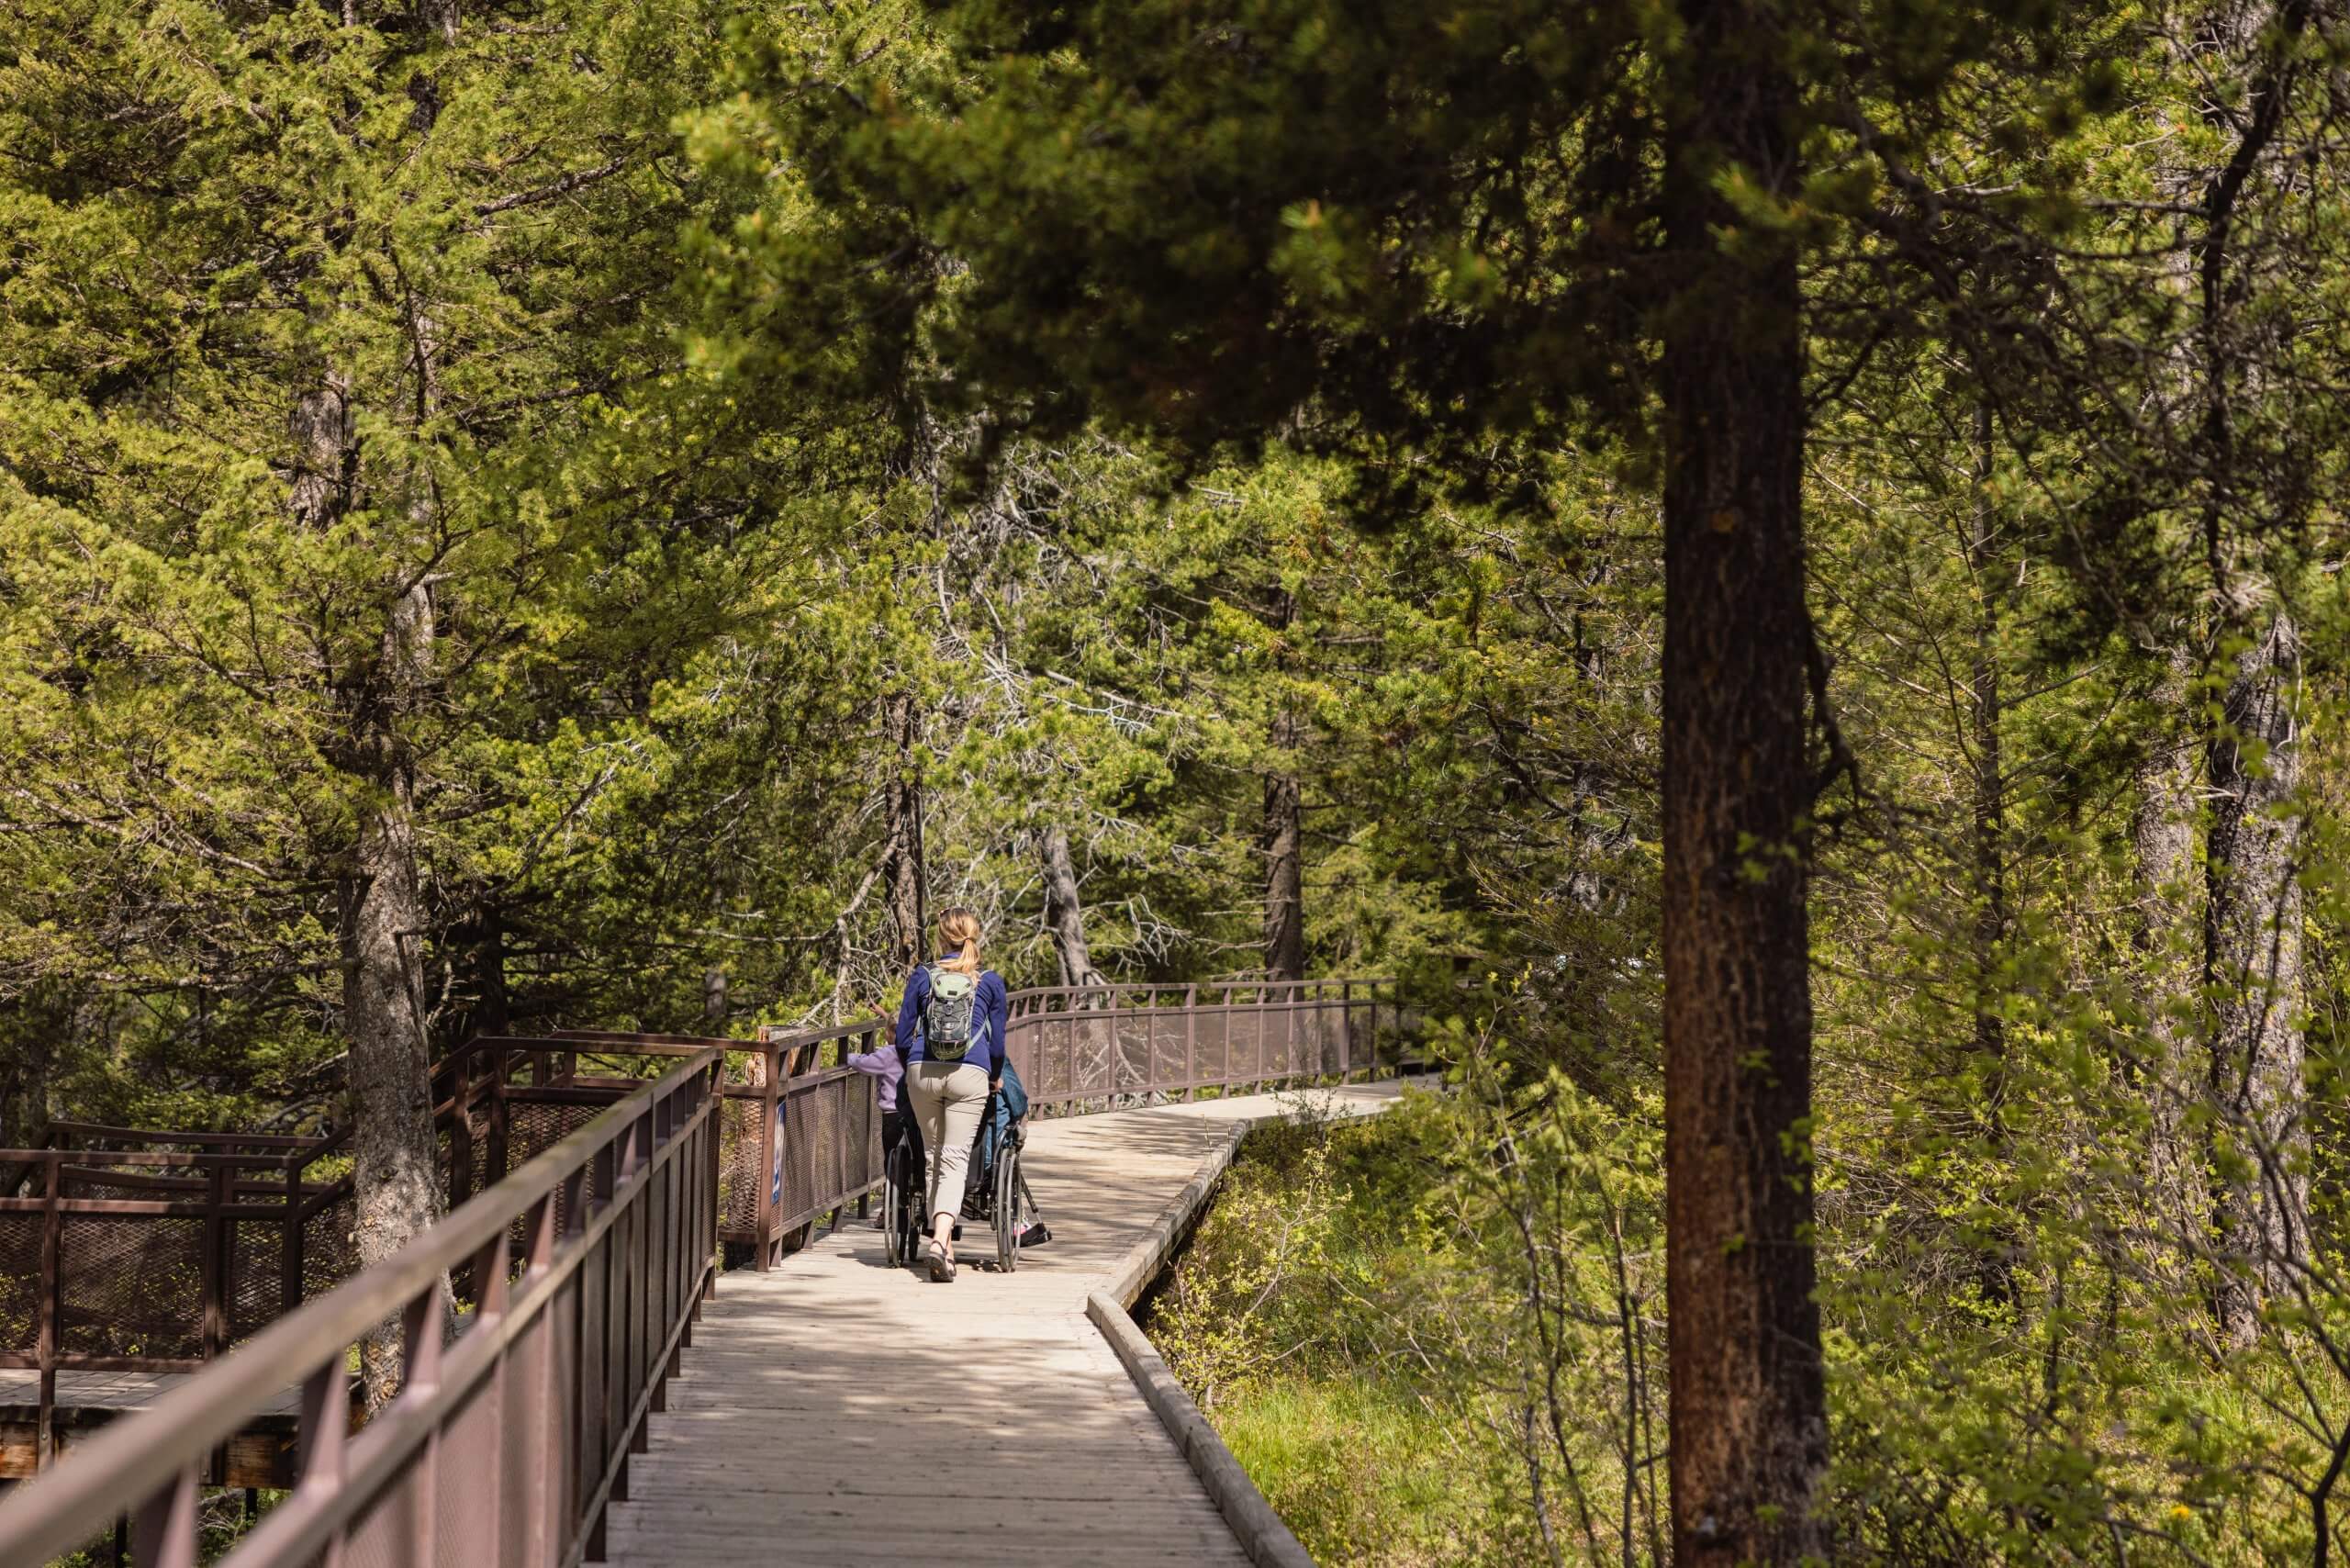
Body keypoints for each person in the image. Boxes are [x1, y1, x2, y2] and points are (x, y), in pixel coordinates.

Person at [895, 907, 1009, 1282]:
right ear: (974, 936)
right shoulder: (989, 981)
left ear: (941, 938)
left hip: (922, 1071)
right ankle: (941, 1241)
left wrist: (910, 1066)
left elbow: (901, 1036)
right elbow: (996, 1048)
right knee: (956, 1160)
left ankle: (943, 1245)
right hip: (969, 1073)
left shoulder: (922, 976)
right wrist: (993, 1077)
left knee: (932, 1157)